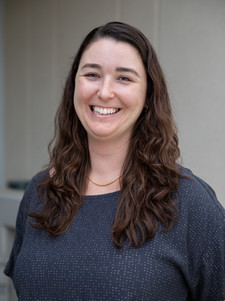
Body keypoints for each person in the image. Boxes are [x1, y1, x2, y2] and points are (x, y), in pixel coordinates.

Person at [4, 21, 225, 301]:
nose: (105, 91)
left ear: (147, 96)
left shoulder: (188, 202)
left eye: (124, 78)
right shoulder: (40, 194)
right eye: (92, 74)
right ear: (75, 85)